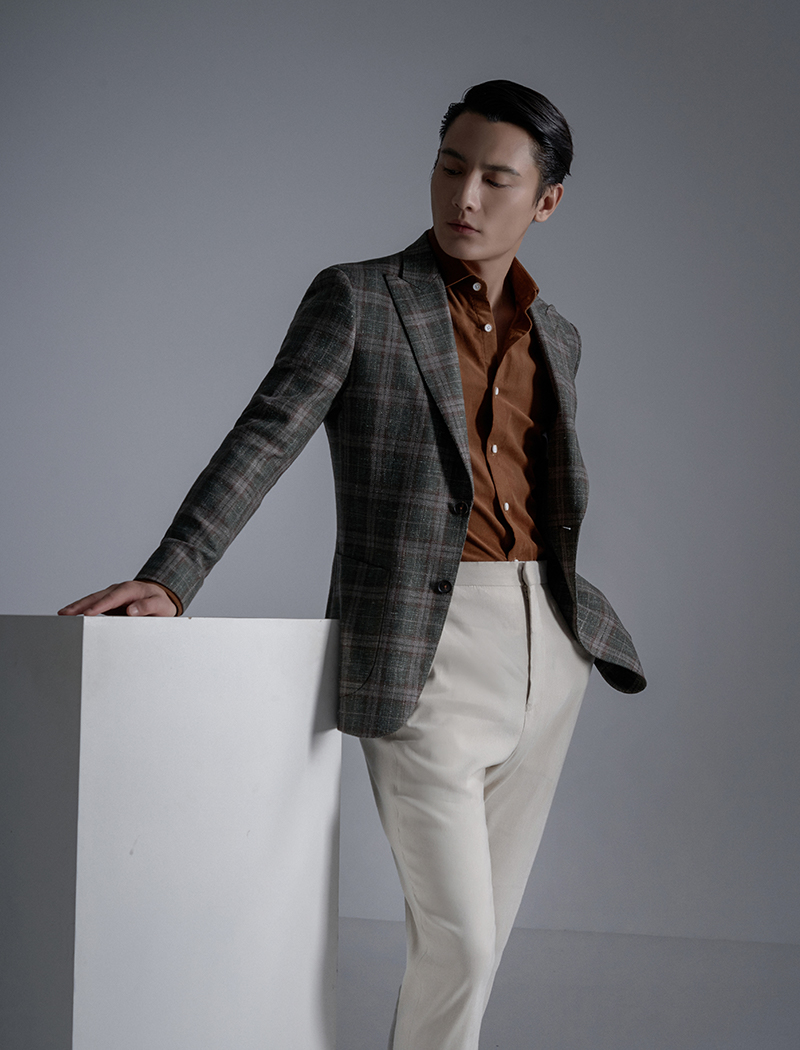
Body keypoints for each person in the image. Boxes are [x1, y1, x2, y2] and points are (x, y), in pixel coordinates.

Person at [60, 80, 645, 1050]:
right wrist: (173, 573)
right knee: (459, 943)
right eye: (449, 168)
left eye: (494, 179)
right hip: (421, 646)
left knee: (484, 945)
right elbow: (267, 435)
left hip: (548, 645)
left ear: (545, 201)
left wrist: (564, 636)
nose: (463, 197)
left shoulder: (559, 338)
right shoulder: (362, 299)